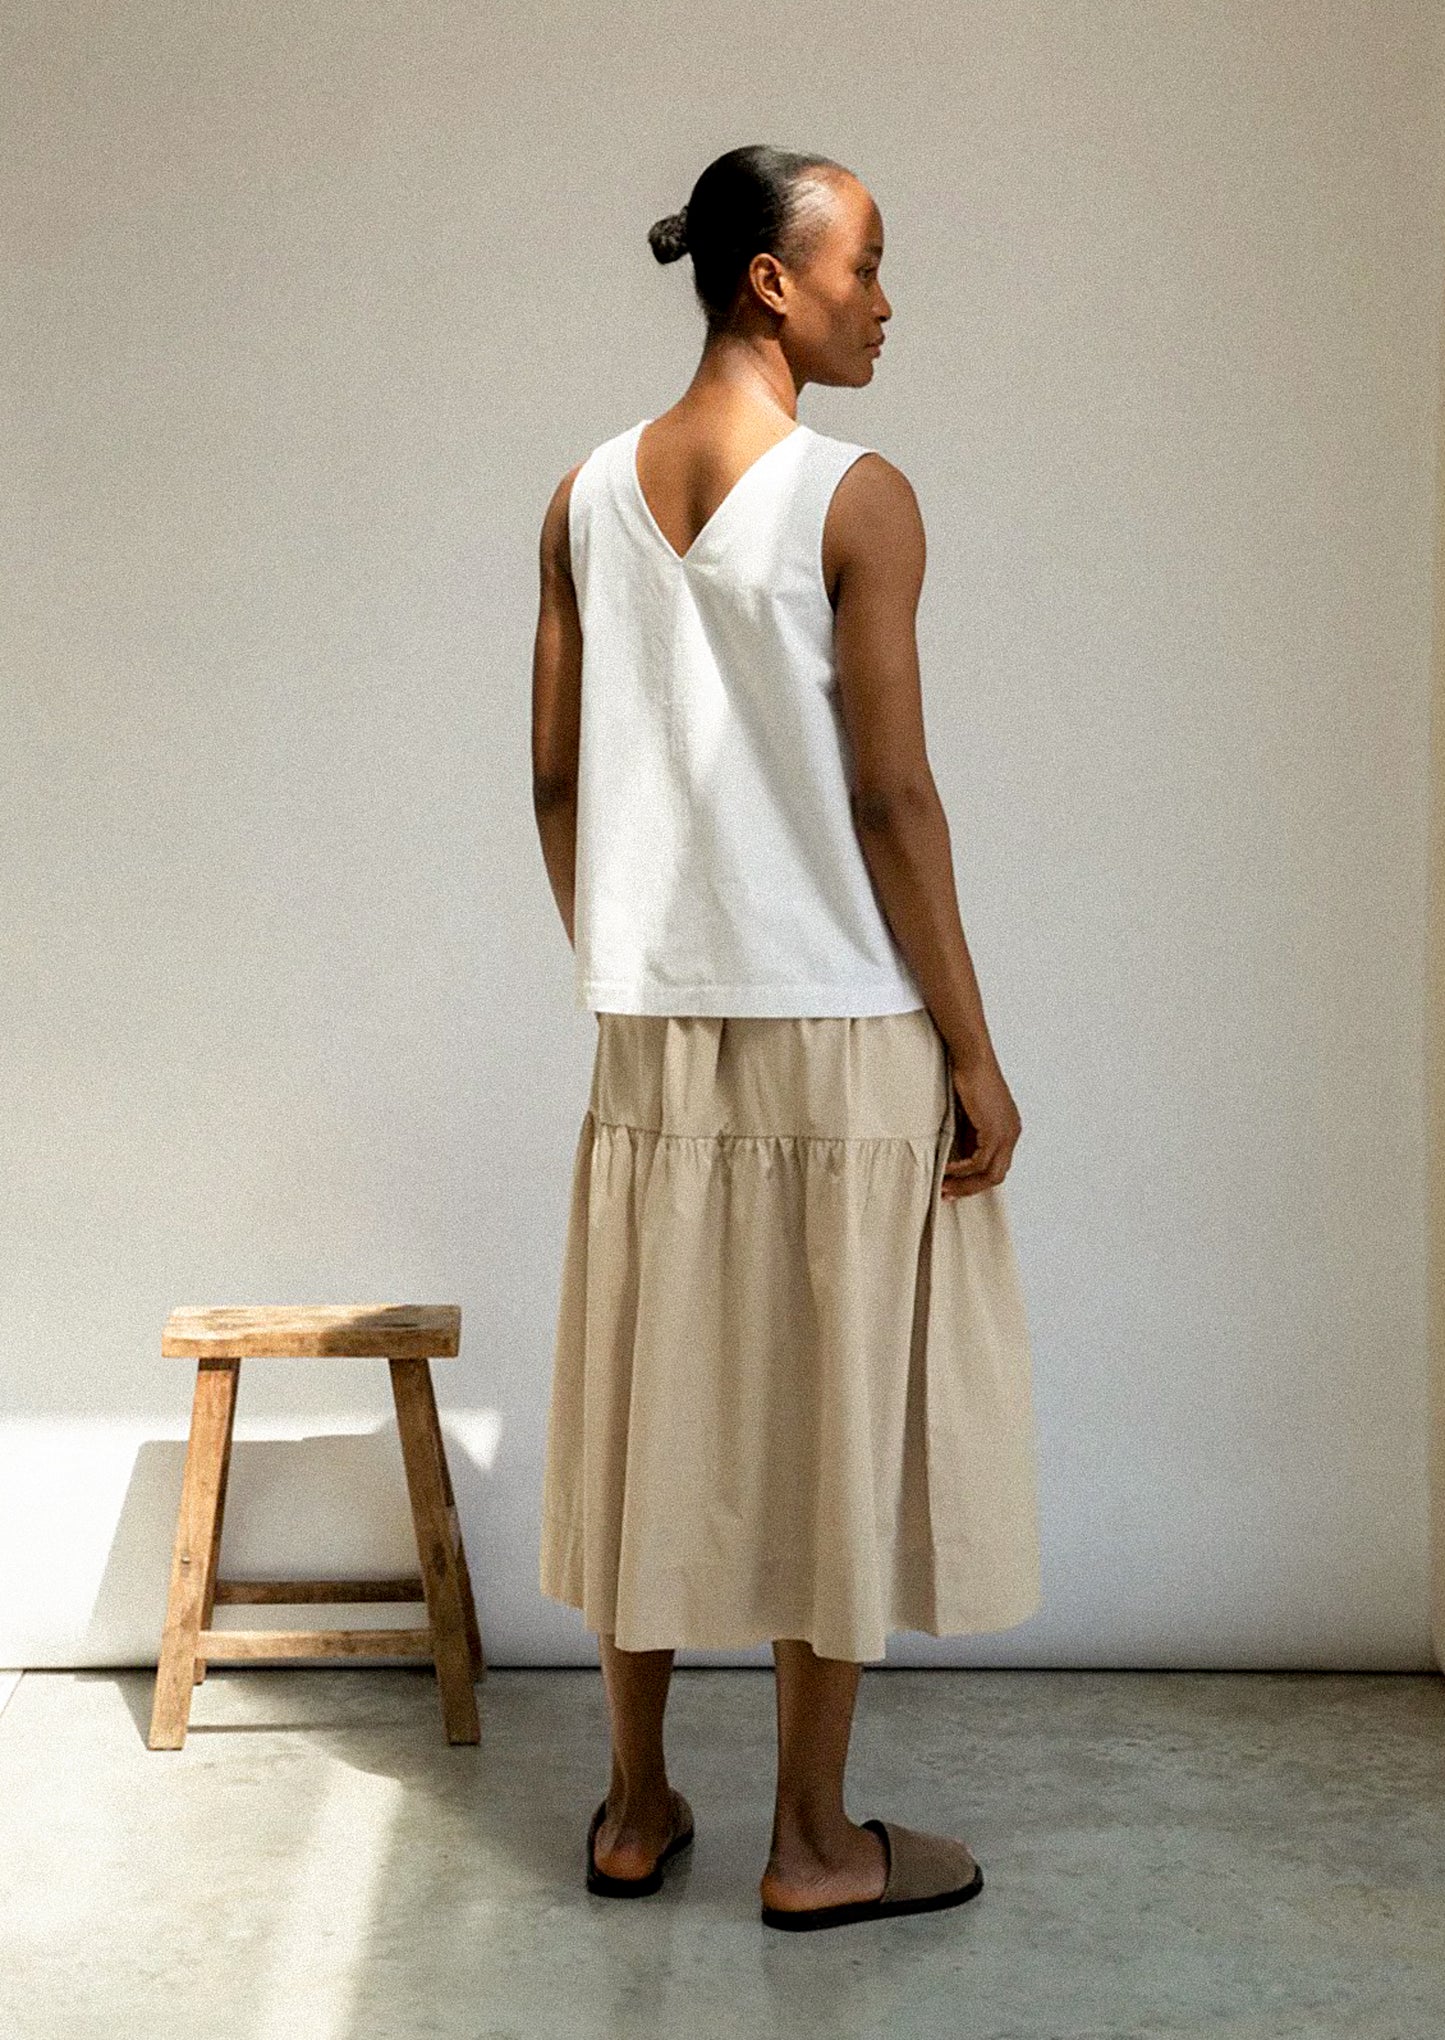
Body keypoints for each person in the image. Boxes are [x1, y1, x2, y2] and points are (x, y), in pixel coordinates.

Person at [531, 144, 1042, 1931]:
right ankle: (813, 1845)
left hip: (651, 1034)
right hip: (838, 1027)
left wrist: (634, 953)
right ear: (771, 278)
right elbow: (893, 796)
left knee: (655, 1397)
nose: (886, 303)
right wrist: (973, 1051)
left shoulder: (584, 493)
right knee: (826, 1418)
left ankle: (629, 1805)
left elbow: (552, 776)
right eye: (867, 268)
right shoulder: (857, 495)